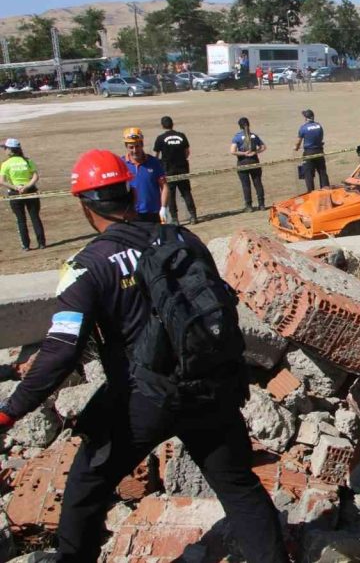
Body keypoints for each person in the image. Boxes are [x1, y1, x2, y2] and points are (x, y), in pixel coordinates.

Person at [0, 149, 288, 563]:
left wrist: (12, 410)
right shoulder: (183, 239)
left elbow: (62, 350)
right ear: (131, 193)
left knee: (87, 483)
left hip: (144, 397)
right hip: (210, 386)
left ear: (84, 205)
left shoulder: (86, 265)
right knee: (238, 487)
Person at [1, 138, 45, 251]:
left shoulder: (5, 164)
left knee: (20, 220)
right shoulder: (27, 161)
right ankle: (42, 243)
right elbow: (35, 176)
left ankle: (26, 246)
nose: (4, 150)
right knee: (35, 217)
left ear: (10, 150)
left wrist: (16, 187)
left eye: (5, 148)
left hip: (15, 193)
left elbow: (2, 181)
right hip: (31, 191)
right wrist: (27, 186)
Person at [153, 116, 197, 225]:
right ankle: (193, 216)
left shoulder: (160, 138)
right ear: (172, 124)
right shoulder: (181, 136)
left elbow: (155, 155)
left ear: (162, 125)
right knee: (186, 192)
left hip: (168, 169)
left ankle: (175, 219)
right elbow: (187, 152)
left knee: (171, 195)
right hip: (182, 167)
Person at [122, 127, 168, 224]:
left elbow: (164, 186)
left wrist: (163, 208)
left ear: (142, 145)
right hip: (132, 215)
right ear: (126, 146)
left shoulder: (154, 162)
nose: (135, 150)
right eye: (131, 147)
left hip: (153, 213)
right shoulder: (121, 164)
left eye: (137, 146)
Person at [230, 117, 266, 212]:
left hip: (243, 163)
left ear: (240, 126)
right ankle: (261, 205)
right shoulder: (254, 136)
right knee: (258, 183)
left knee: (246, 185)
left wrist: (243, 153)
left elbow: (232, 151)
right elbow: (263, 147)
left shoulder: (237, 137)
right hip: (254, 161)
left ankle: (249, 206)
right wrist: (255, 152)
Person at [295, 109, 329, 193]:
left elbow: (298, 142)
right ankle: (326, 190)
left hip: (309, 152)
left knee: (308, 174)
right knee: (322, 172)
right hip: (319, 151)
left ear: (306, 118)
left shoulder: (303, 128)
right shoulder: (319, 126)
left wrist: (296, 148)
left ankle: (311, 192)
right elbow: (320, 138)